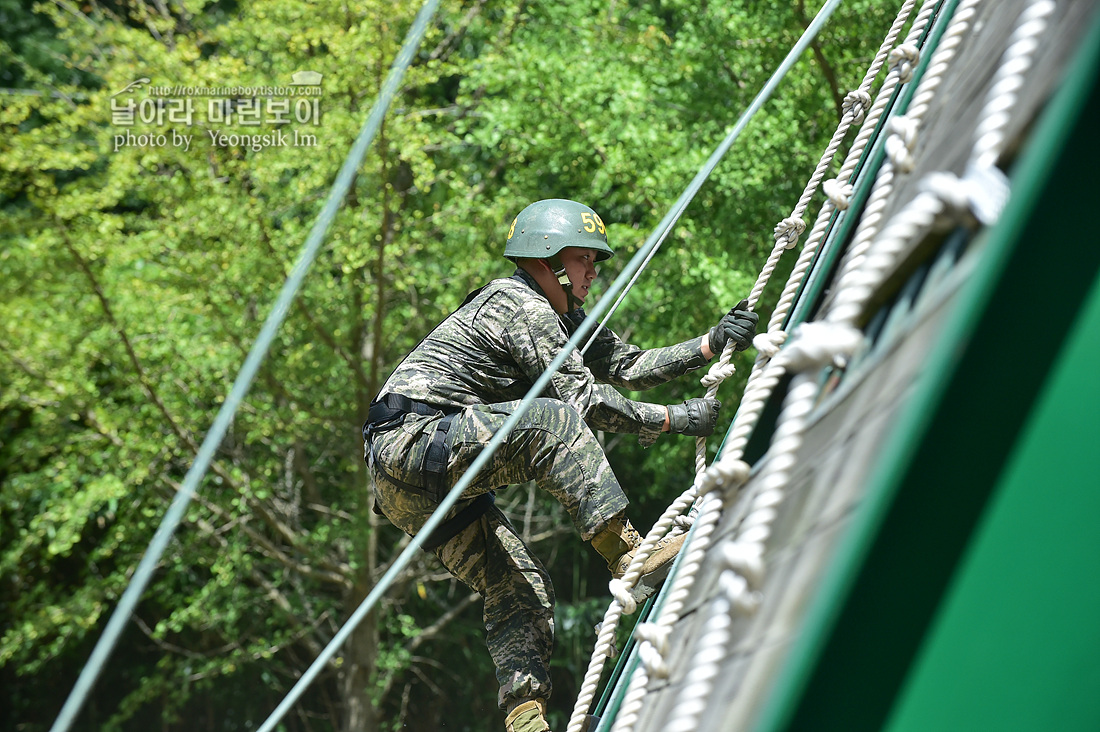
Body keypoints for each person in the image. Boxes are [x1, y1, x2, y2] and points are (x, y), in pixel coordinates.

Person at [363, 199, 758, 732]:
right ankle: (629, 555)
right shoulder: (517, 305)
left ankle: (525, 719)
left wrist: (709, 345)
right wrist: (673, 420)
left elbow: (627, 365)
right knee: (553, 421)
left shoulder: (560, 316)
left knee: (519, 588)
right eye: (585, 260)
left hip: (403, 483)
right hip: (412, 441)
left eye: (597, 262)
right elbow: (584, 402)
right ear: (547, 260)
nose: (594, 272)